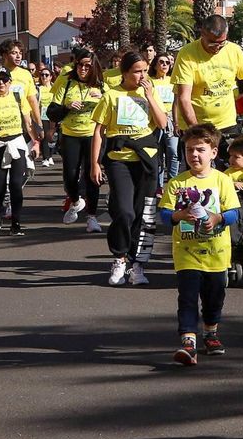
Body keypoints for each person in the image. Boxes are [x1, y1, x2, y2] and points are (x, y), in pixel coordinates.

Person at [158, 123, 241, 366]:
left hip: (216, 253)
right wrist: (178, 216)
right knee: (187, 297)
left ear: (213, 153)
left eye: (200, 150)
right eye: (189, 150)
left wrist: (218, 218)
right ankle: (188, 341)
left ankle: (210, 331)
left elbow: (234, 213)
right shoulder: (177, 183)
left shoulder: (222, 180)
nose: (194, 155)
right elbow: (164, 215)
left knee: (214, 297)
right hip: (187, 253)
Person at [91, 50, 168, 286]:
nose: (142, 75)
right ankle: (120, 257)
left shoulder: (150, 91)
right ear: (124, 73)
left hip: (146, 159)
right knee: (124, 212)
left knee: (143, 214)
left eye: (145, 70)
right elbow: (99, 131)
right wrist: (95, 163)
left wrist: (150, 96)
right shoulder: (111, 95)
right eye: (137, 71)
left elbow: (163, 123)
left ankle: (137, 264)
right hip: (119, 159)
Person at [171, 15, 243, 166]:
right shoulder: (187, 54)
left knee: (233, 172)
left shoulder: (233, 50)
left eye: (222, 43)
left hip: (227, 125)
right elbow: (184, 98)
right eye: (212, 43)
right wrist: (196, 131)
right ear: (203, 35)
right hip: (198, 126)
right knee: (200, 177)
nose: (217, 47)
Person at [0, 66, 41, 235]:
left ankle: (16, 223)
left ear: (10, 82)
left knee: (16, 185)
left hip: (16, 143)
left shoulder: (18, 98)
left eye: (4, 79)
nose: (1, 83)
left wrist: (36, 142)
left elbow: (27, 123)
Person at [55, 49, 106, 231]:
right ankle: (76, 201)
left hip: (93, 136)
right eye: (80, 64)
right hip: (70, 135)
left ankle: (92, 218)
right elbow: (52, 112)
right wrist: (67, 107)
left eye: (87, 66)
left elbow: (112, 109)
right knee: (70, 175)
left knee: (92, 175)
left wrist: (103, 98)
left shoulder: (101, 86)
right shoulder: (66, 83)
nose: (83, 69)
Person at [0, 40, 41, 133]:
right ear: (4, 55)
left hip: (24, 123)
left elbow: (32, 100)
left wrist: (38, 124)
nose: (18, 56)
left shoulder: (26, 74)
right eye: (14, 53)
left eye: (20, 53)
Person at [148, 51, 178, 186]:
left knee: (173, 151)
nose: (165, 64)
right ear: (155, 65)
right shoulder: (150, 81)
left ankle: (173, 183)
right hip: (155, 119)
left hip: (172, 119)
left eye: (167, 62)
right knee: (158, 154)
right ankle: (158, 187)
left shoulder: (173, 80)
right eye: (161, 62)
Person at [35, 68, 56, 167]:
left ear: (51, 77)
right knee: (45, 136)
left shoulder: (55, 87)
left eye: (46, 75)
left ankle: (50, 155)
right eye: (42, 75)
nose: (44, 77)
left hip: (53, 114)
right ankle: (45, 158)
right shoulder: (38, 88)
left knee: (53, 136)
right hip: (43, 114)